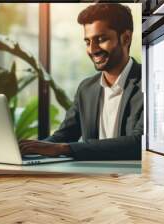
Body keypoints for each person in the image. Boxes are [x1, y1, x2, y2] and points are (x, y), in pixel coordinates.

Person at [19, 3, 143, 160]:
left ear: (126, 38)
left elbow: (138, 143)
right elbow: (64, 136)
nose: (93, 49)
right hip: (91, 179)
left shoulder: (147, 83)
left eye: (101, 39)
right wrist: (30, 149)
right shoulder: (86, 88)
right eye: (88, 42)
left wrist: (63, 148)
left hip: (132, 180)